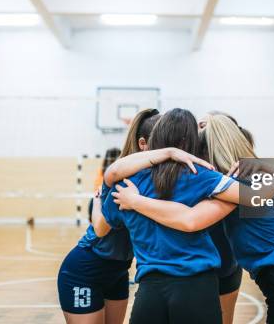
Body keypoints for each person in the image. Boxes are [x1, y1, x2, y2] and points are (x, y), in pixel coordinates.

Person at [112, 114, 274, 324]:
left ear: (210, 151)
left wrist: (135, 201)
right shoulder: (250, 179)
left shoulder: (241, 186)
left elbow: (189, 219)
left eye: (197, 150)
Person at [92, 108, 237, 324]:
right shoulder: (201, 175)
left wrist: (102, 201)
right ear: (192, 143)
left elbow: (101, 228)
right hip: (197, 286)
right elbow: (259, 196)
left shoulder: (125, 186)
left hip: (151, 290)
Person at [57, 109, 160, 324]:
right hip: (86, 270)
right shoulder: (127, 181)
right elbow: (101, 228)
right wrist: (97, 203)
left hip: (120, 271)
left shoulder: (178, 177)